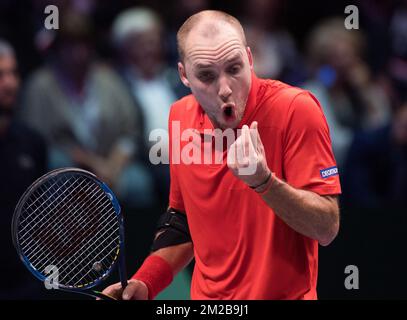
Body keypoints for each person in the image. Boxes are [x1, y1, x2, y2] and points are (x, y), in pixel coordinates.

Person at [102, 10, 341, 300]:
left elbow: (326, 228)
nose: (225, 88)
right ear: (183, 75)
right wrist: (145, 282)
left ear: (250, 59)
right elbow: (182, 222)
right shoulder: (180, 116)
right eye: (206, 75)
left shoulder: (296, 110)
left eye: (234, 68)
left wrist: (264, 182)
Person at [0, 39, 48, 299]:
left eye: (14, 73)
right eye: (1, 75)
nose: (11, 83)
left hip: (24, 285)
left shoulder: (33, 142)